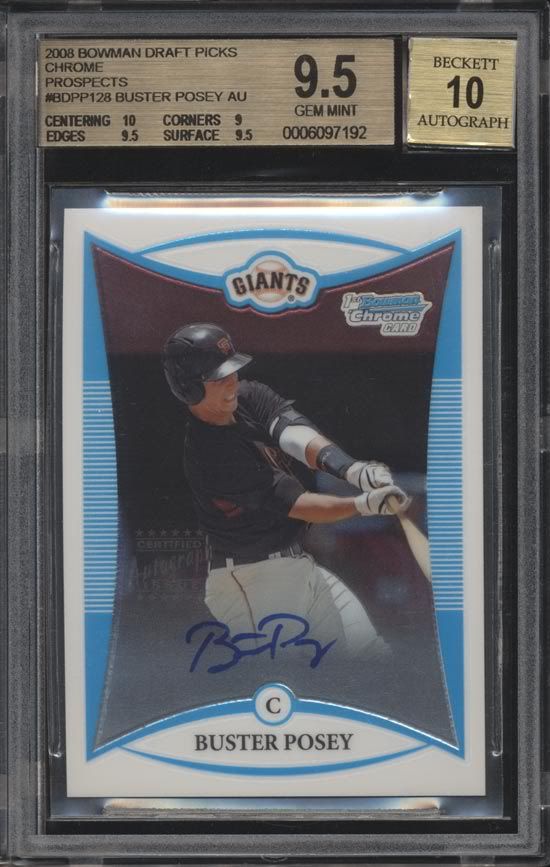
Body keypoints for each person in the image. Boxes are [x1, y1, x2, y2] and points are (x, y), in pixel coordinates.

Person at [163, 322, 408, 659]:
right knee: (282, 676)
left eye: (232, 371)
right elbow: (300, 504)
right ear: (189, 389)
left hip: (299, 566)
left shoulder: (248, 396)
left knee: (372, 656)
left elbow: (294, 434)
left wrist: (353, 469)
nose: (231, 382)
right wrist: (363, 504)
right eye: (218, 378)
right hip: (253, 580)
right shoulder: (210, 453)